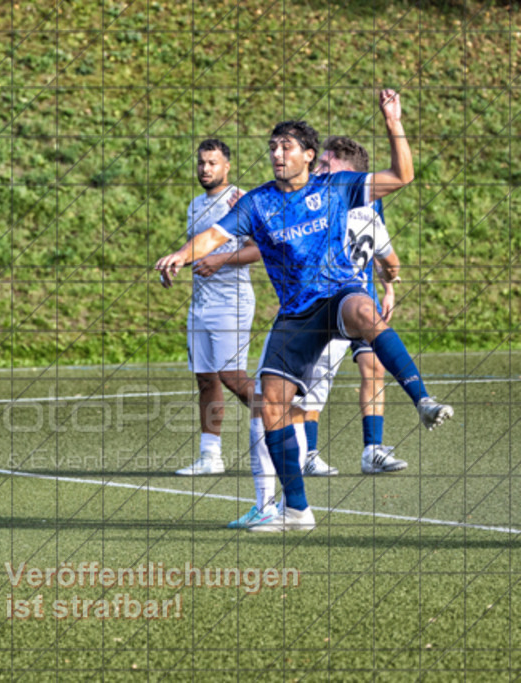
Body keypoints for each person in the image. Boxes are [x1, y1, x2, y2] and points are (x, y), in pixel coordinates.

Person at [156, 90, 453, 532]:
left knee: (364, 312)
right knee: (271, 403)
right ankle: (296, 509)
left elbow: (402, 175)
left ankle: (423, 399)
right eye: (273, 147)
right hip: (295, 313)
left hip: (337, 293)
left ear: (309, 156)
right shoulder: (257, 203)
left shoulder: (335, 187)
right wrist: (182, 254)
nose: (277, 154)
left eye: (287, 147)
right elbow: (215, 236)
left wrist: (394, 122)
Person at [295, 136, 407, 478]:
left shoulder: (369, 197)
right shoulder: (311, 195)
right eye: (321, 164)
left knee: (374, 366)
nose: (319, 170)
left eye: (327, 166)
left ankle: (372, 450)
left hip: (363, 295)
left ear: (351, 174)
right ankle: (308, 453)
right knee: (315, 377)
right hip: (325, 300)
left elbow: (377, 243)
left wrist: (387, 289)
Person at [172, 139, 259, 476]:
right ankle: (210, 457)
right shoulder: (195, 204)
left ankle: (286, 426)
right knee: (206, 380)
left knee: (233, 378)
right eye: (201, 163)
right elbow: (197, 246)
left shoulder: (241, 200)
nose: (205, 169)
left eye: (212, 163)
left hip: (232, 303)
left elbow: (259, 251)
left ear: (227, 167)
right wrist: (176, 262)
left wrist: (220, 260)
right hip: (201, 304)